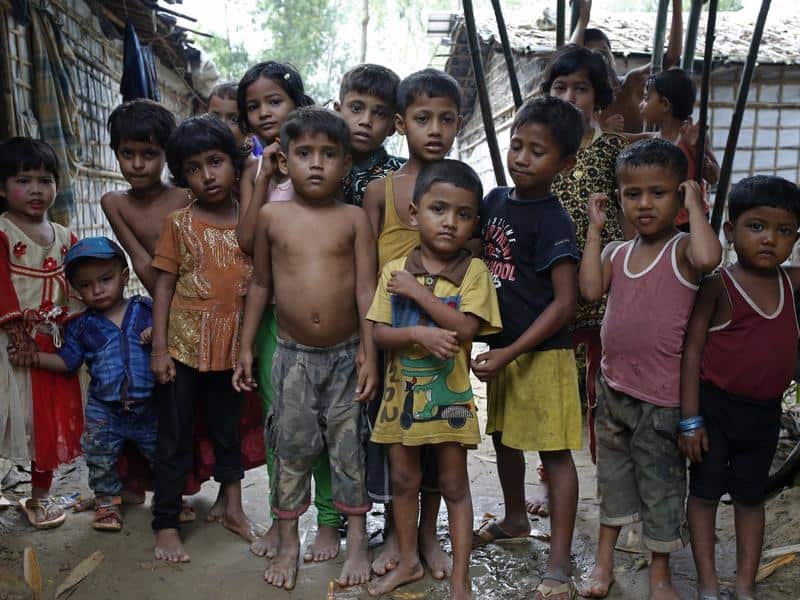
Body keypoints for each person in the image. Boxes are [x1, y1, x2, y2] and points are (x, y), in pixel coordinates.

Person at [233, 106, 378, 590]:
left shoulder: (354, 219)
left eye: (328, 154)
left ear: (345, 165)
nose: (316, 163)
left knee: (348, 448)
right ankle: (290, 541)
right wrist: (246, 346)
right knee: (291, 449)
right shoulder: (273, 217)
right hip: (292, 356)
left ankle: (355, 537)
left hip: (345, 353)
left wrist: (369, 352)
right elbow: (259, 284)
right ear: (284, 160)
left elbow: (366, 290)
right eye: (304, 153)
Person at [577, 138, 722, 599]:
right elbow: (588, 289)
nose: (643, 204)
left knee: (661, 493)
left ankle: (659, 575)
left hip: (661, 402)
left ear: (679, 196)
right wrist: (596, 230)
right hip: (615, 393)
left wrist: (696, 207)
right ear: (619, 196)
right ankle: (603, 564)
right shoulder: (618, 253)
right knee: (613, 483)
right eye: (632, 194)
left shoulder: (682, 249)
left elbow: (709, 258)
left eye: (658, 193)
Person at [366, 159, 501, 600]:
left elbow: (465, 329)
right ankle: (408, 561)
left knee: (454, 486)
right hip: (400, 402)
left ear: (474, 223)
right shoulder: (394, 272)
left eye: (463, 215)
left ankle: (461, 579)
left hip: (450, 401)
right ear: (413, 213)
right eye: (438, 209)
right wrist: (417, 332)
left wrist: (419, 294)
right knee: (403, 483)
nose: (450, 222)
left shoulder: (475, 272)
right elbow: (380, 334)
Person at [471, 97, 584, 600]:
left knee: (554, 455)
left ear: (565, 164)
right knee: (504, 440)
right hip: (503, 352)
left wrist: (510, 351)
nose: (521, 157)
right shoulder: (495, 201)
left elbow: (565, 305)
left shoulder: (554, 221)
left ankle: (559, 563)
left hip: (542, 355)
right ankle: (515, 518)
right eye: (517, 144)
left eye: (537, 151)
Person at [233, 62, 342, 565]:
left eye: (274, 101)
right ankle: (284, 522)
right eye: (253, 106)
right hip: (277, 320)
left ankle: (329, 519)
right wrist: (260, 179)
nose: (263, 113)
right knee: (284, 426)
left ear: (298, 103)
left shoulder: (319, 161)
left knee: (329, 424)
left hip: (329, 326)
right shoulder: (256, 169)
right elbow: (246, 245)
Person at [362, 67, 464, 581]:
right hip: (391, 338)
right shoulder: (380, 192)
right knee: (393, 444)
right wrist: (367, 350)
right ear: (401, 124)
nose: (435, 130)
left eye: (446, 119)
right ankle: (397, 539)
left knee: (437, 442)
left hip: (442, 342)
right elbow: (365, 278)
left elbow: (473, 270)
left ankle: (428, 536)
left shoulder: (462, 192)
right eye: (423, 118)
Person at [680, 176, 800, 600]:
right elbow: (691, 352)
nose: (770, 239)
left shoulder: (792, 284)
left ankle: (745, 586)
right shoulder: (719, 285)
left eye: (784, 231)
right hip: (714, 411)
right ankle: (709, 585)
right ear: (730, 233)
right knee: (705, 495)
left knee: (751, 499)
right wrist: (690, 420)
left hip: (764, 416)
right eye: (756, 226)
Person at [150, 115, 256, 562]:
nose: (207, 175)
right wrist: (158, 348)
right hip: (184, 348)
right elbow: (164, 286)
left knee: (227, 429)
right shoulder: (179, 223)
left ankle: (231, 507)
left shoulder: (251, 224)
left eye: (216, 162)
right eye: (193, 168)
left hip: (233, 350)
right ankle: (166, 523)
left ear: (233, 165)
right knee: (174, 435)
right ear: (181, 177)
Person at [9, 237, 155, 532]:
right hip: (105, 409)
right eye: (86, 285)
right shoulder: (81, 326)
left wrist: (158, 333)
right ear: (75, 289)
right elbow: (68, 362)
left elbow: (172, 331)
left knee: (161, 453)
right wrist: (34, 358)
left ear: (124, 278)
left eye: (105, 279)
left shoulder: (146, 309)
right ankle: (106, 503)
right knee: (100, 457)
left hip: (151, 405)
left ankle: (170, 501)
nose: (97, 290)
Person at [541, 43, 629, 516]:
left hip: (605, 289)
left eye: (581, 88)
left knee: (602, 395)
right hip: (554, 290)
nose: (570, 96)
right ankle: (549, 480)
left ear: (598, 97)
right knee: (554, 390)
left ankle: (607, 484)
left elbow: (630, 215)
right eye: (560, 87)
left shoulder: (614, 150)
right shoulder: (545, 150)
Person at [0, 137, 83, 529]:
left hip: (52, 348)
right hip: (9, 345)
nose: (36, 189)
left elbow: (83, 284)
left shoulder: (66, 237)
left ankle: (40, 497)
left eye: (45, 180)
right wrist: (14, 328)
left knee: (47, 425)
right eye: (23, 180)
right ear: (2, 188)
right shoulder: (2, 233)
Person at [100, 99, 191, 295]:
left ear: (166, 154)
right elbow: (141, 261)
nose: (138, 164)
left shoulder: (187, 196)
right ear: (116, 153)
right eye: (127, 154)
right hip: (165, 298)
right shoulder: (115, 203)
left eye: (149, 154)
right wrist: (170, 311)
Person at [570, 0, 682, 133]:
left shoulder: (631, 84)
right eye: (594, 54)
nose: (601, 59)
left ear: (613, 58)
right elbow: (569, 56)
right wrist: (583, 20)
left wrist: (677, 5)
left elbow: (672, 56)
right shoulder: (578, 99)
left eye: (604, 52)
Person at [639, 68, 720, 229]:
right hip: (661, 218)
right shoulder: (654, 138)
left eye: (647, 99)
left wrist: (696, 149)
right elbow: (621, 137)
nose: (641, 105)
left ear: (664, 104)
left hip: (690, 220)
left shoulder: (693, 136)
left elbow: (713, 176)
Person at [335, 63, 405, 207]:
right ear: (337, 112)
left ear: (393, 125)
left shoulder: (402, 174)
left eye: (379, 113)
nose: (366, 121)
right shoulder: (318, 163)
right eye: (356, 108)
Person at [206, 82, 257, 159]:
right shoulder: (191, 156)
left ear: (250, 129)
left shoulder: (260, 169)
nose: (221, 125)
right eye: (214, 117)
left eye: (234, 119)